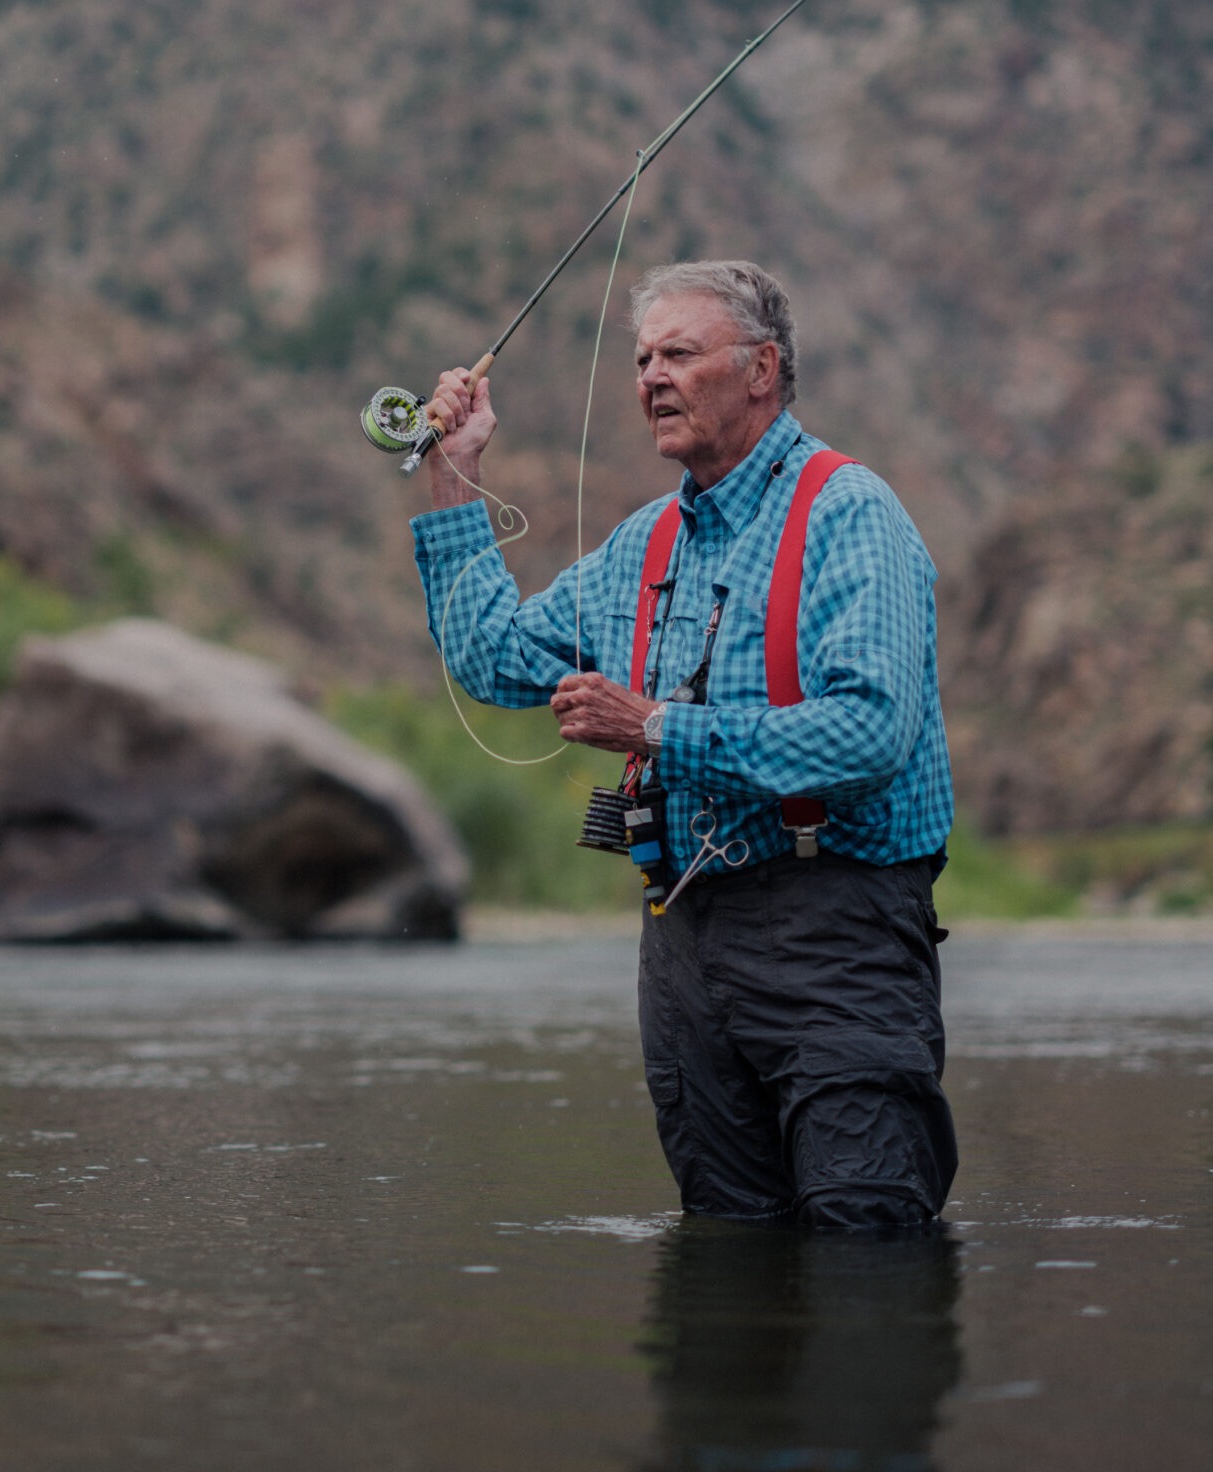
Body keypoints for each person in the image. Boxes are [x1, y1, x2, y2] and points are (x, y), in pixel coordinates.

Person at [409, 260, 957, 1228]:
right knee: (727, 1236)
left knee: (863, 1231)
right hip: (685, 935)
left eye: (680, 353)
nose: (650, 376)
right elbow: (493, 661)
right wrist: (454, 470)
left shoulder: (849, 512)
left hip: (838, 923)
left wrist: (654, 725)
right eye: (641, 357)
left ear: (761, 368)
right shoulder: (643, 540)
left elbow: (872, 732)